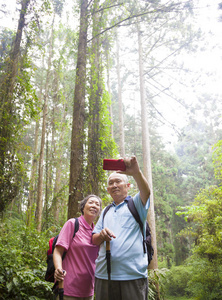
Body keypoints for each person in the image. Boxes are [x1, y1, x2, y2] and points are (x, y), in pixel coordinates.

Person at [92, 156, 150, 300]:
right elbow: (94, 239)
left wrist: (136, 172)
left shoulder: (136, 205)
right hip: (103, 275)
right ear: (107, 189)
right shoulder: (105, 211)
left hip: (132, 276)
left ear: (128, 186)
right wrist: (101, 235)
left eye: (118, 181)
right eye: (111, 183)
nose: (114, 185)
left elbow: (146, 192)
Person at [53, 194, 102, 300]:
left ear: (99, 211)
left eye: (97, 204)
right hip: (68, 288)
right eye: (91, 202)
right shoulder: (73, 224)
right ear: (83, 207)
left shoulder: (97, 232)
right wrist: (58, 269)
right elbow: (58, 251)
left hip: (88, 290)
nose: (94, 205)